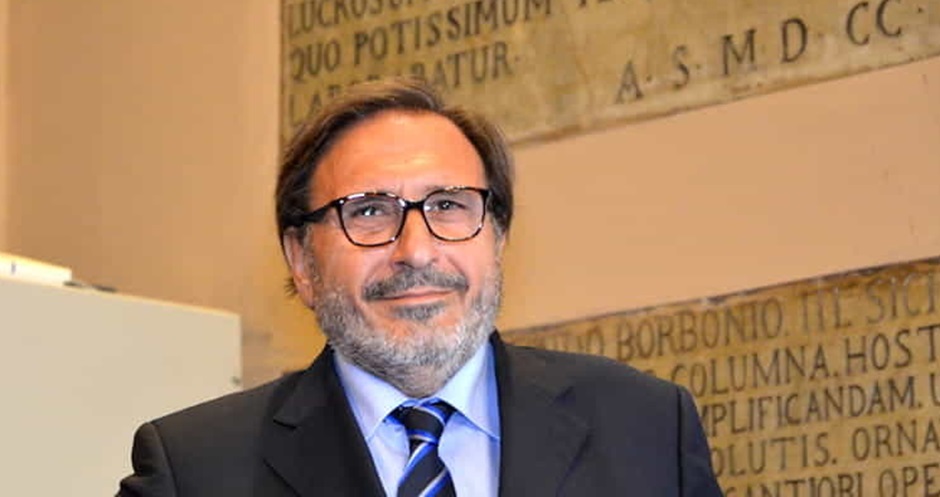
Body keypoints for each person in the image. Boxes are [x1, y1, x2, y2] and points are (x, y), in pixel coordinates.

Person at [118, 78, 723, 497]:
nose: (416, 250)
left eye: (449, 206)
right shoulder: (195, 471)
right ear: (301, 260)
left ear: (497, 237)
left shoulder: (645, 428)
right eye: (369, 211)